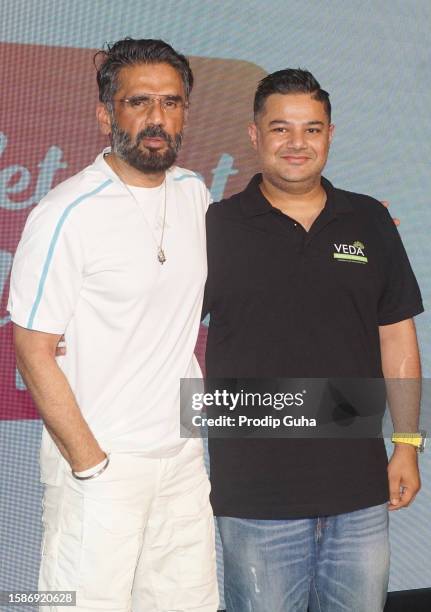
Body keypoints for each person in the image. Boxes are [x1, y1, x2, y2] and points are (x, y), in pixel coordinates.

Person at [8, 38, 218, 612]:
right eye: (139, 102)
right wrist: (88, 463)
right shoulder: (64, 214)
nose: (158, 119)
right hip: (99, 469)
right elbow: (31, 347)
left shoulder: (195, 193)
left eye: (172, 103)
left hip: (180, 463)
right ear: (105, 113)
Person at [203, 69, 423, 612]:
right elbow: (159, 328)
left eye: (312, 129)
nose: (297, 143)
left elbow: (397, 335)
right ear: (254, 136)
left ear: (330, 135)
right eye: (280, 129)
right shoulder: (213, 227)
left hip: (359, 493)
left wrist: (408, 444)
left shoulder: (370, 219)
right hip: (255, 500)